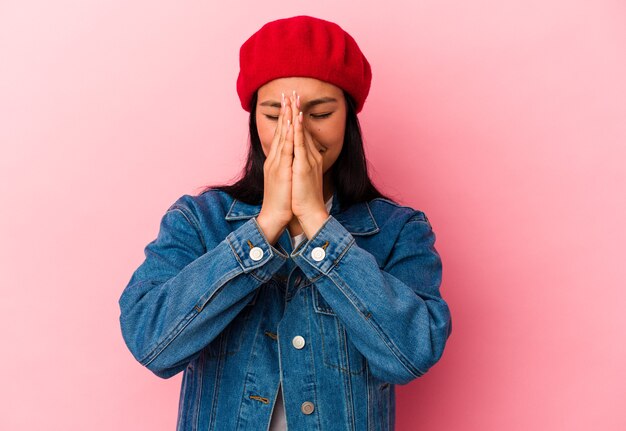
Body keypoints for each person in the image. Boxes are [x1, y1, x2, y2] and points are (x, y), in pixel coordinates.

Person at [118, 15, 452, 431]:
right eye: (276, 114)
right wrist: (266, 224)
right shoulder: (198, 221)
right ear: (254, 120)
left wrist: (316, 221)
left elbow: (411, 354)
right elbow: (152, 343)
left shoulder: (399, 231)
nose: (297, 132)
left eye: (320, 112)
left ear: (348, 119)